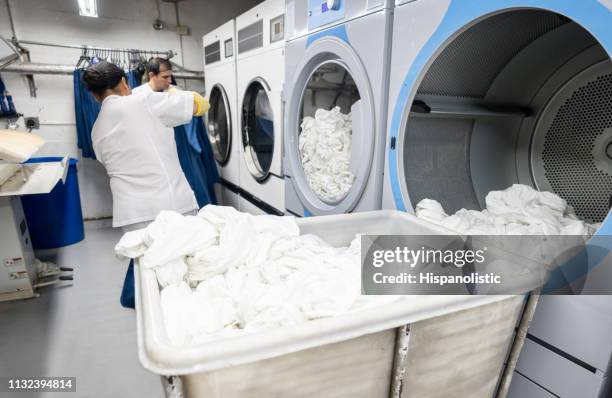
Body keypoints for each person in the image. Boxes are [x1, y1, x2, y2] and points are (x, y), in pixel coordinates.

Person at [82, 61, 210, 307]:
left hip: (131, 216)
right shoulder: (143, 101)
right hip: (169, 207)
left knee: (150, 276)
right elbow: (201, 104)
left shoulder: (96, 129)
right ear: (122, 82)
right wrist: (170, 90)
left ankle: (152, 323)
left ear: (95, 96)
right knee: (185, 275)